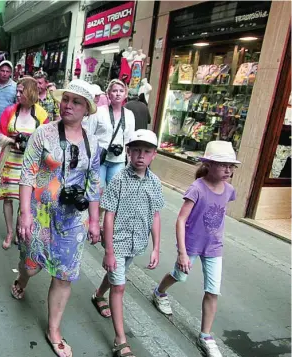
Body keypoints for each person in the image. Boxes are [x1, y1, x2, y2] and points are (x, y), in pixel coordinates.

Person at [14, 79, 100, 357]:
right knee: (31, 266)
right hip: (39, 213)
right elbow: (27, 173)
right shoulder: (44, 134)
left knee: (64, 276)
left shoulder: (93, 141)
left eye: (76, 102)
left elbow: (95, 183)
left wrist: (95, 220)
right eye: (66, 99)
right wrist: (25, 214)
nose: (68, 105)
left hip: (73, 219)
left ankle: (54, 330)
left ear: (86, 109)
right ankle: (22, 280)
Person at [152, 141, 240, 357]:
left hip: (214, 247)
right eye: (223, 165)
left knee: (213, 290)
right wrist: (182, 252)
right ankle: (159, 292)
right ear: (209, 164)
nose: (228, 170)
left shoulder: (229, 190)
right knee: (179, 276)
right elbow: (181, 220)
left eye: (231, 166)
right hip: (191, 245)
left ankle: (206, 335)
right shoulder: (197, 188)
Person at [95, 129, 164, 357]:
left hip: (137, 242)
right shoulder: (119, 180)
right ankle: (120, 340)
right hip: (117, 241)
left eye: (146, 151)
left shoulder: (155, 182)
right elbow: (109, 216)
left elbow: (155, 215)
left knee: (116, 274)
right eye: (136, 151)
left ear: (154, 155)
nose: (141, 156)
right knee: (120, 286)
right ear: (128, 152)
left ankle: (97, 296)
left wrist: (156, 247)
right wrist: (109, 251)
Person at [0, 77, 49, 249]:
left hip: (30, 163)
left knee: (25, 198)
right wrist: (12, 140)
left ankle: (19, 230)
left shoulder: (41, 114)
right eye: (17, 91)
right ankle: (10, 232)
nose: (17, 94)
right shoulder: (10, 111)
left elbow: (46, 137)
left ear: (30, 92)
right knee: (8, 198)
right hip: (10, 160)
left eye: (20, 91)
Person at [99, 79, 135, 188]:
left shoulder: (129, 114)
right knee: (97, 192)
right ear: (108, 94)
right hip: (100, 158)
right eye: (114, 91)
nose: (118, 94)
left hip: (118, 159)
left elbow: (130, 140)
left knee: (114, 192)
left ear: (125, 94)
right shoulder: (100, 111)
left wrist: (130, 163)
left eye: (121, 91)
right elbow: (90, 134)